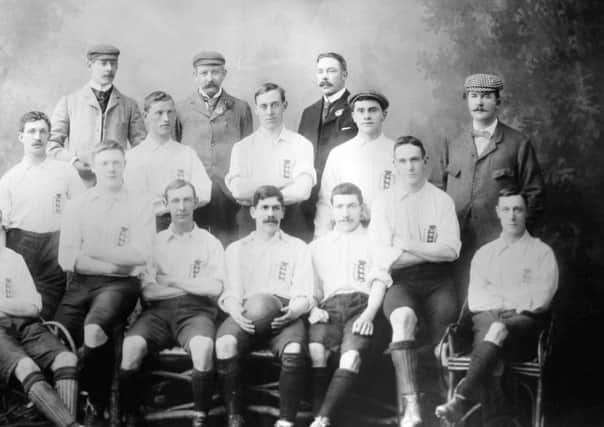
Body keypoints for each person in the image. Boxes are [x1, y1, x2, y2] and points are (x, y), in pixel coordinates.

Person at [435, 189, 558, 426]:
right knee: (495, 331)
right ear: (498, 213)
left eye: (518, 209)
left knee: (498, 329)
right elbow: (477, 299)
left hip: (524, 325)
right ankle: (501, 419)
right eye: (506, 210)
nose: (512, 216)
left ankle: (461, 399)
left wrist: (501, 296)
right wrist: (516, 296)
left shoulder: (541, 253)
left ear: (526, 212)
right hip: (486, 320)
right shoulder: (485, 254)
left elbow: (541, 299)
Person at [55, 140, 154, 426]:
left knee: (95, 330)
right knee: (59, 339)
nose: (111, 168)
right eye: (105, 163)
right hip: (84, 283)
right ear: (95, 167)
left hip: (121, 287)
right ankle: (73, 403)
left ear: (124, 165)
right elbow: (67, 259)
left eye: (116, 162)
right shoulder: (78, 205)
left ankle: (97, 405)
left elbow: (141, 254)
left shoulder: (139, 203)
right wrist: (117, 264)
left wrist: (93, 250)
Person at [369, 136, 461, 427]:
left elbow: (451, 251)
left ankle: (446, 404)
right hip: (402, 282)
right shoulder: (383, 203)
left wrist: (406, 243)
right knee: (402, 318)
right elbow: (386, 259)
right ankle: (411, 407)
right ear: (395, 165)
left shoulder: (441, 200)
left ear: (425, 163)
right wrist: (426, 252)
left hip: (439, 282)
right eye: (403, 161)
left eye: (415, 160)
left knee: (445, 334)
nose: (410, 166)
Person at [119, 179, 225, 427]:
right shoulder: (154, 243)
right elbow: (149, 293)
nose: (181, 207)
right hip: (158, 314)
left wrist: (174, 280)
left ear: (195, 203)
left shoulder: (210, 243)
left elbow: (214, 288)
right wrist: (192, 284)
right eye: (175, 201)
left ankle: (200, 416)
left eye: (187, 200)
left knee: (204, 348)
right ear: (166, 205)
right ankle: (129, 415)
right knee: (131, 347)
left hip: (196, 313)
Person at [439, 73, 545, 303]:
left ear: (498, 101)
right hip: (457, 243)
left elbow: (534, 195)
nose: (479, 102)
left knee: (495, 306)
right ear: (466, 100)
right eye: (474, 96)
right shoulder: (452, 142)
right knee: (457, 305)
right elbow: (438, 191)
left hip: (499, 243)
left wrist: (517, 237)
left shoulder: (518, 143)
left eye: (486, 97)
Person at [215, 185, 314, 427]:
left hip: (284, 314)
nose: (270, 213)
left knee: (293, 350)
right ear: (253, 212)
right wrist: (236, 312)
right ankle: (233, 416)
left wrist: (293, 311)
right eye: (264, 208)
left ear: (283, 213)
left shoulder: (298, 247)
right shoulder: (236, 249)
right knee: (225, 343)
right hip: (247, 314)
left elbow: (305, 293)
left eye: (276, 208)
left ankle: (285, 421)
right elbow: (231, 292)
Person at [308, 182, 391, 427]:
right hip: (329, 309)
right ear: (332, 210)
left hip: (363, 306)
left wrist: (369, 314)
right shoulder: (317, 247)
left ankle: (321, 420)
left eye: (352, 206)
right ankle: (320, 415)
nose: (345, 213)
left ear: (361, 209)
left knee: (351, 355)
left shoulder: (374, 240)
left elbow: (379, 282)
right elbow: (311, 289)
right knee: (316, 351)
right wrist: (313, 308)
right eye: (340, 206)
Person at [0, 111, 84, 319]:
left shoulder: (66, 172)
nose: (37, 137)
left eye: (42, 131)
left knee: (52, 303)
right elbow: (2, 225)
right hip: (21, 243)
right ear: (21, 137)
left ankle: (50, 342)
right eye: (31, 131)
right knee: (22, 297)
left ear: (49, 136)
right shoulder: (10, 178)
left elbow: (82, 211)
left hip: (55, 243)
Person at [176, 51, 253, 245]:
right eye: (203, 73)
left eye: (215, 72)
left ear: (224, 74)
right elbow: (176, 149)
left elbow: (247, 151)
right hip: (193, 188)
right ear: (195, 76)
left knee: (227, 242)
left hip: (228, 191)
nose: (209, 78)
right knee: (193, 243)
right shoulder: (181, 109)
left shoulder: (240, 108)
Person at [0, 245, 81, 427]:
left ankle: (65, 422)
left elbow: (33, 307)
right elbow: (25, 306)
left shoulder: (13, 258)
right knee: (26, 367)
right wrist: (14, 305)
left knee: (66, 358)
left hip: (26, 324)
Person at [225, 83, 316, 241]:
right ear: (256, 110)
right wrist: (283, 182)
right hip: (250, 223)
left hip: (291, 222)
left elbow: (303, 190)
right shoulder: (242, 147)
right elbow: (239, 191)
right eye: (264, 106)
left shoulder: (302, 144)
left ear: (284, 106)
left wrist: (256, 189)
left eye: (275, 105)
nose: (269, 112)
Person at [49, 44, 146, 186]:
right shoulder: (69, 102)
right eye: (103, 63)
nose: (109, 69)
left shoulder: (129, 105)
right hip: (78, 183)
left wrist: (122, 164)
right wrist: (73, 161)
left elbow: (142, 147)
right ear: (90, 65)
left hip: (118, 185)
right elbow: (51, 145)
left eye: (113, 64)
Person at [124, 91, 211, 231]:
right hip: (146, 226)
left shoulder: (187, 154)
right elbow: (135, 200)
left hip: (183, 225)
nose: (166, 118)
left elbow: (204, 192)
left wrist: (168, 203)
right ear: (146, 116)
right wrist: (181, 201)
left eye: (170, 112)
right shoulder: (133, 157)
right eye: (159, 113)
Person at [314, 91, 395, 237]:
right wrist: (320, 237)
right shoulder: (339, 154)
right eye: (361, 111)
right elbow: (326, 201)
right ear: (353, 116)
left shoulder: (397, 153)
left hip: (388, 233)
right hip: (347, 233)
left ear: (384, 114)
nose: (367, 116)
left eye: (373, 110)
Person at [298, 52, 357, 234]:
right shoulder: (309, 113)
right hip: (309, 196)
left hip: (342, 196)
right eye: (320, 71)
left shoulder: (355, 110)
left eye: (331, 71)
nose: (324, 77)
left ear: (344, 75)